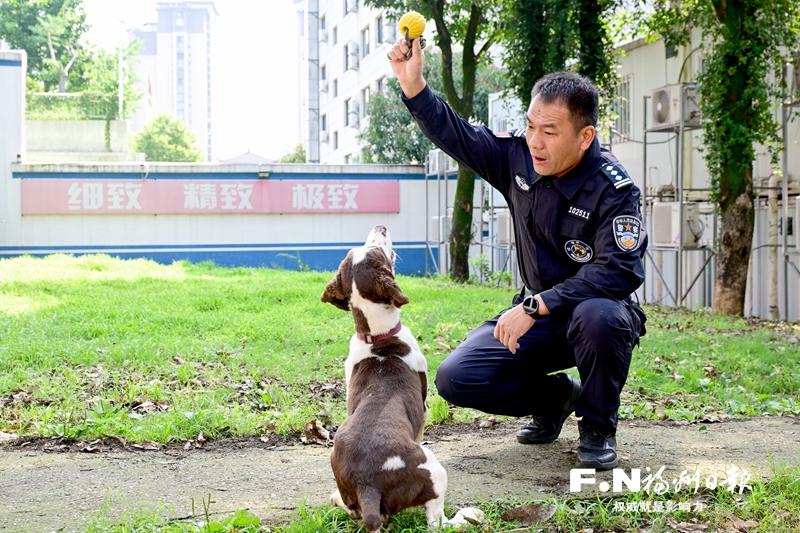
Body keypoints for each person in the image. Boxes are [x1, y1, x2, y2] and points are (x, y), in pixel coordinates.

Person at [388, 37, 647, 470]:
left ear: (586, 136)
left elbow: (619, 270)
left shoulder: (614, 189)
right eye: (530, 126)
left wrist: (539, 304)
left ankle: (598, 427)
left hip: (596, 313)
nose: (535, 141)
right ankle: (557, 398)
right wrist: (414, 87)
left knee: (598, 317)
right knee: (457, 378)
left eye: (549, 131)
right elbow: (458, 136)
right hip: (537, 314)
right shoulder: (518, 158)